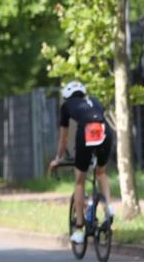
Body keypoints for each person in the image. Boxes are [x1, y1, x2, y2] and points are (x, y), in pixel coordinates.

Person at [48, 81, 115, 244]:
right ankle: (108, 208)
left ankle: (78, 229)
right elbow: (98, 121)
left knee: (80, 182)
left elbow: (64, 139)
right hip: (105, 133)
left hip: (86, 135)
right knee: (100, 173)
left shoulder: (66, 106)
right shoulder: (94, 100)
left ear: (67, 96)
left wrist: (58, 158)